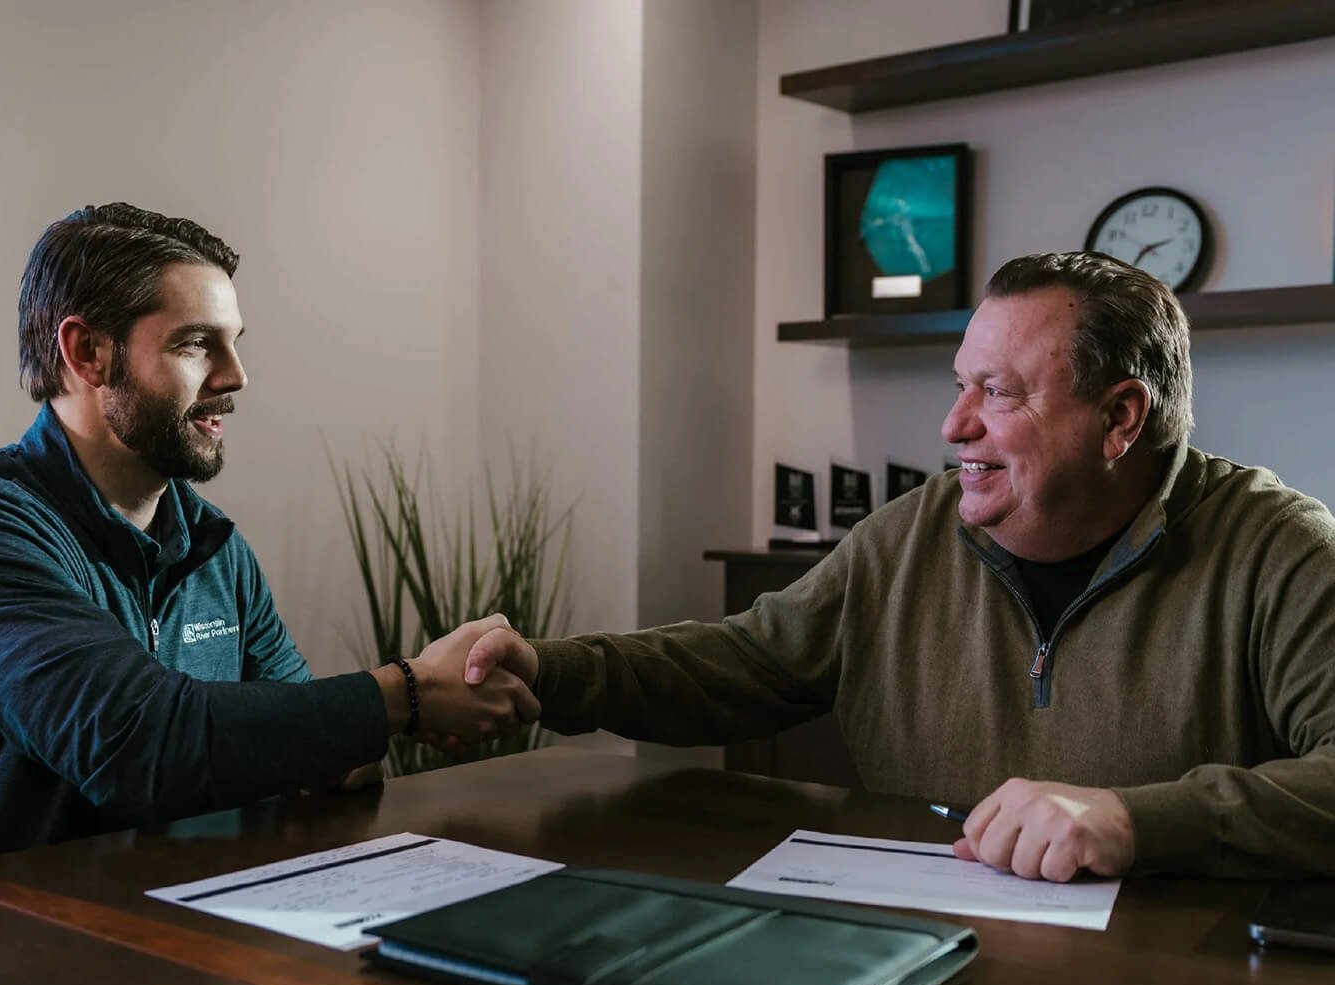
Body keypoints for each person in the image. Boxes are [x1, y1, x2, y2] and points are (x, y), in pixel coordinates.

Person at [460, 251, 1335, 882]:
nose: (955, 426)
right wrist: (545, 671)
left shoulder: (1281, 549)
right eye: (960, 385)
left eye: (998, 392)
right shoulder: (913, 531)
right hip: (927, 957)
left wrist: (1136, 820)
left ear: (1120, 419)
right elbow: (745, 662)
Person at [0, 203, 536, 862]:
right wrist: (410, 693)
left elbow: (311, 744)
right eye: (196, 343)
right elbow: (139, 745)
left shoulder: (216, 548)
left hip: (179, 910)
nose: (235, 376)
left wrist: (338, 747)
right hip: (2, 925)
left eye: (233, 342)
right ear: (88, 352)